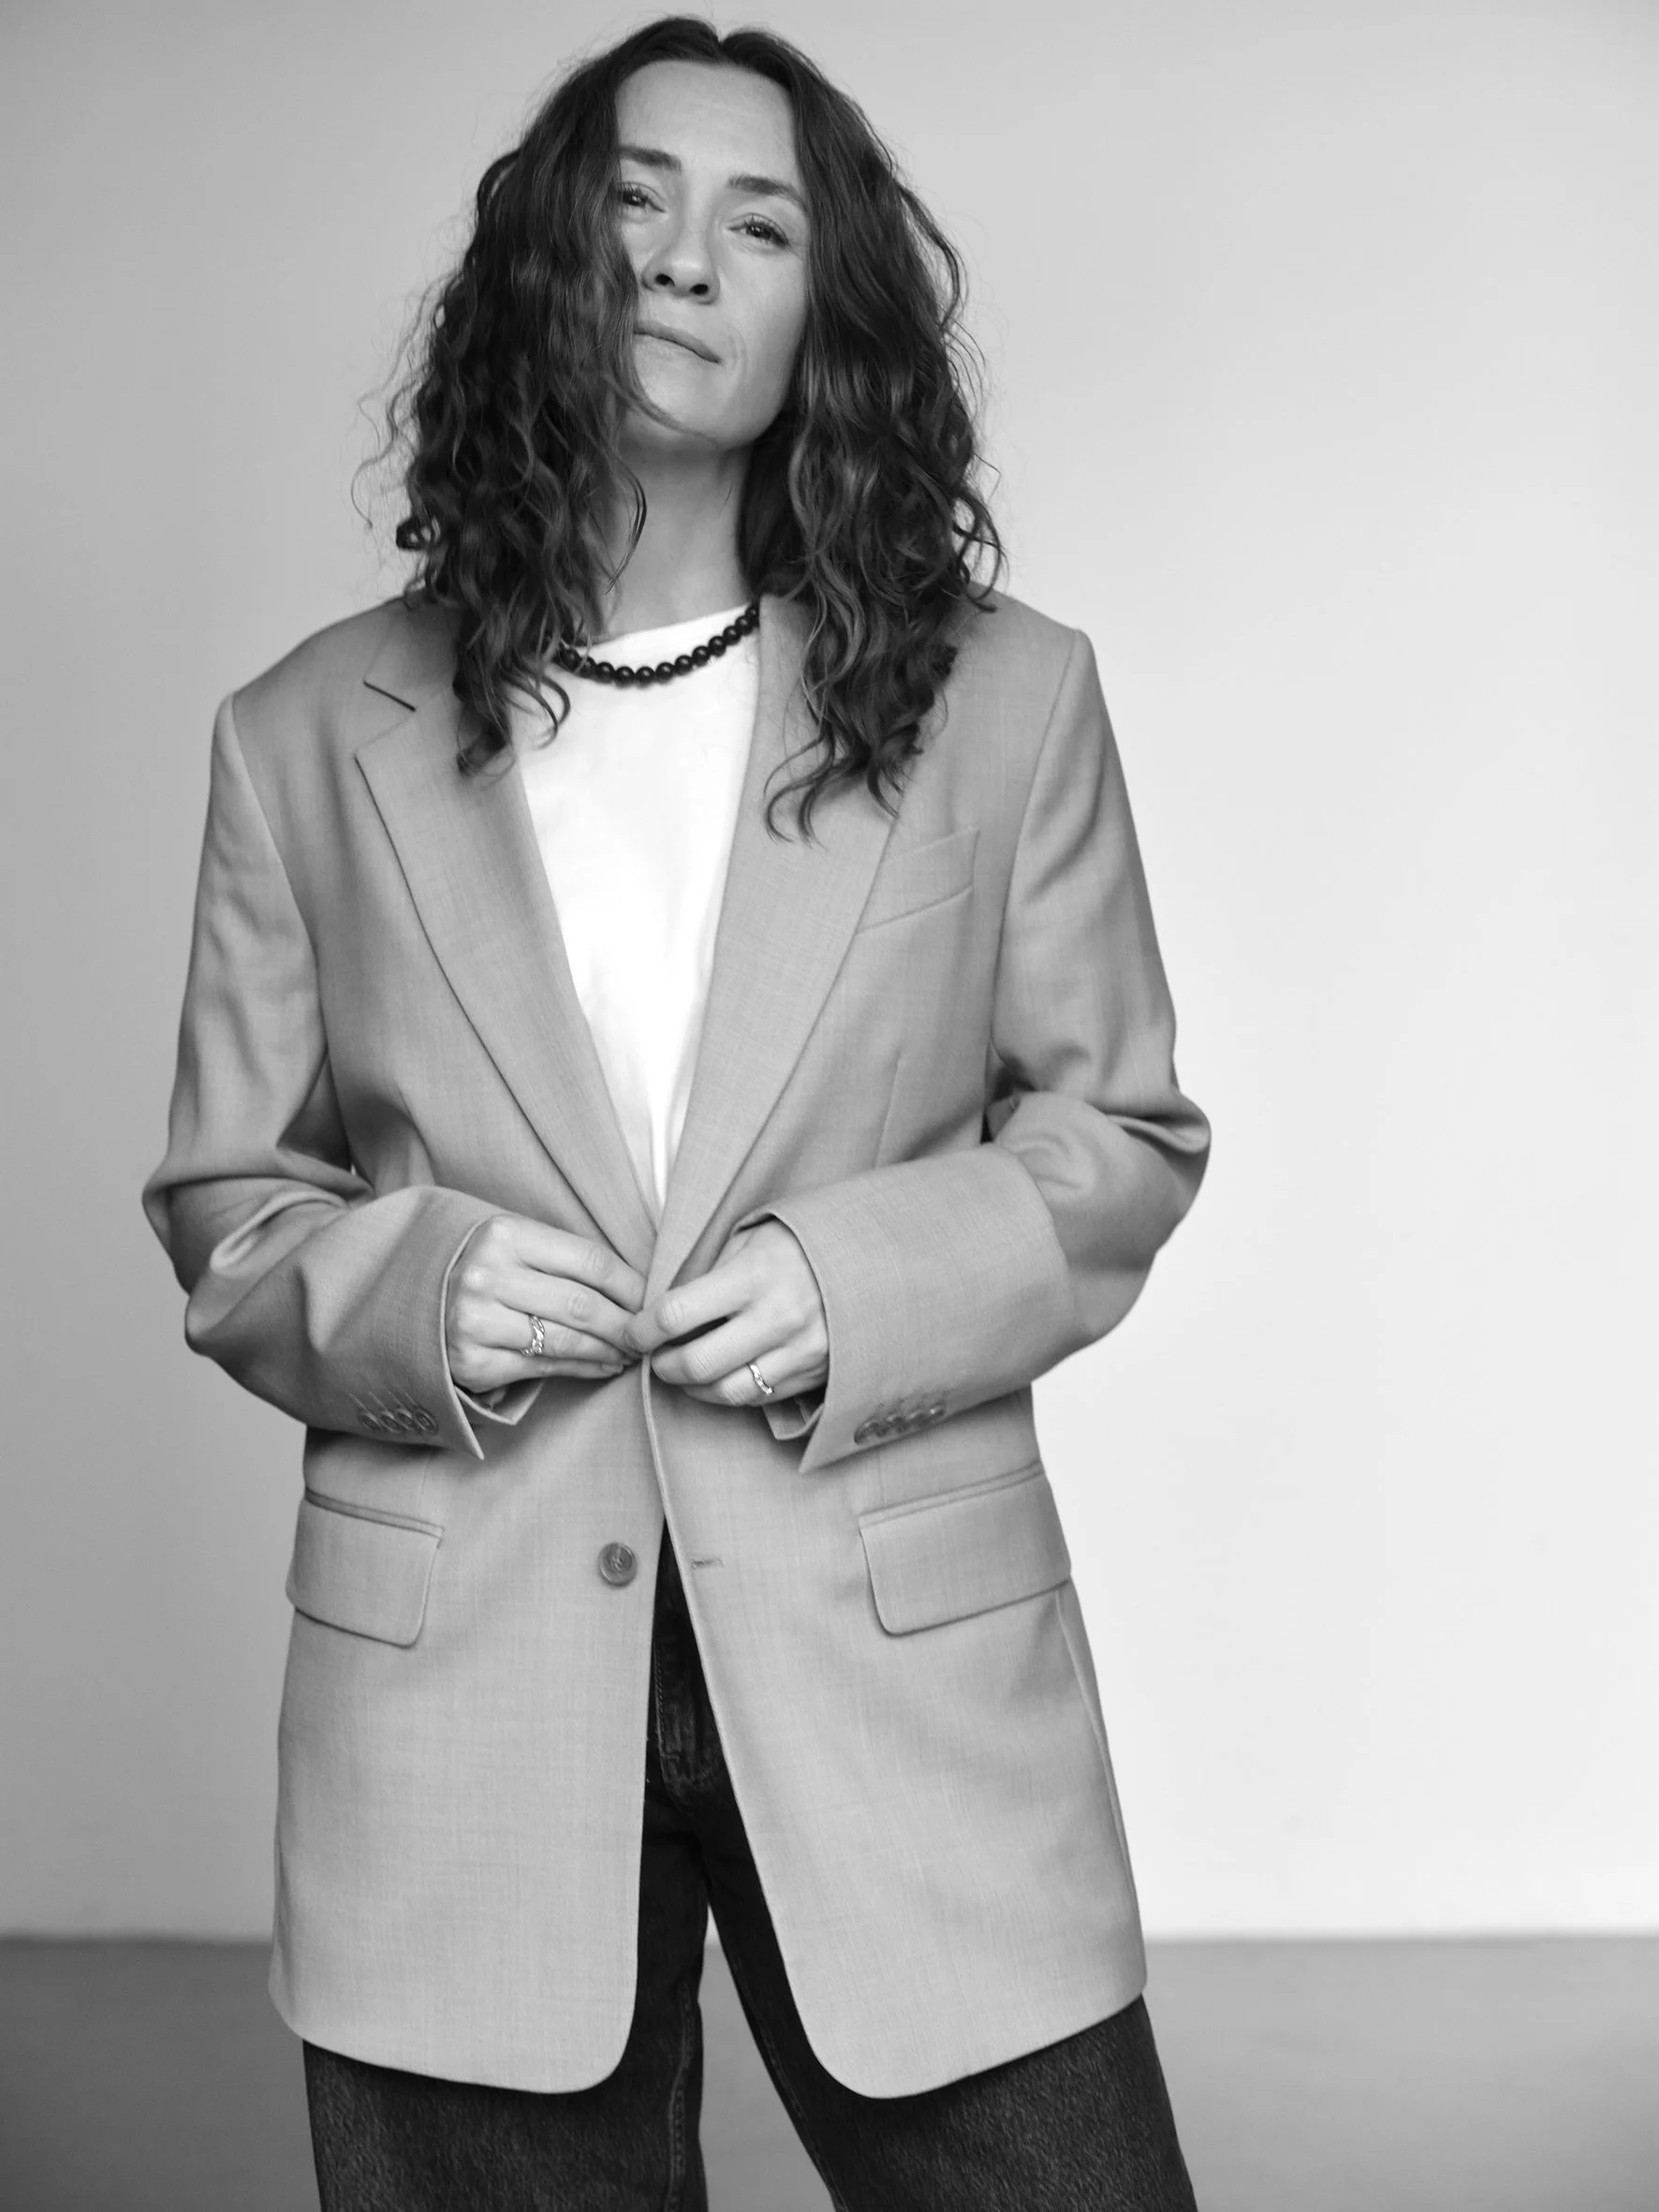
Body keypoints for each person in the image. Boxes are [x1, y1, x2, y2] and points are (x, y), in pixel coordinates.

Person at [143, 16, 1211, 2207]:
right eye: (631, 198)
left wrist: (855, 1278)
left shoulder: (1007, 701)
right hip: (461, 1691)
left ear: (832, 307)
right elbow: (230, 1199)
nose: (682, 258)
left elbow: (1115, 1133)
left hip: (896, 1645)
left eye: (758, 218)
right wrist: (419, 1288)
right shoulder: (294, 734)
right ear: (550, 252)